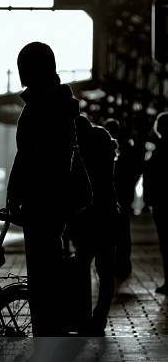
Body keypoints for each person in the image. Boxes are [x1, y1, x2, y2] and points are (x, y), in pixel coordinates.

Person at [7, 42, 79, 336]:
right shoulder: (58, 103)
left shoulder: (42, 107)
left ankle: (48, 343)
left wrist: (15, 195)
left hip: (41, 202)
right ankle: (54, 337)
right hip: (54, 200)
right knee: (50, 274)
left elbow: (29, 157)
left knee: (43, 278)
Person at [71, 116, 119, 335]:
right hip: (108, 214)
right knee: (106, 270)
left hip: (86, 217)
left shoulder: (81, 152)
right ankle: (100, 317)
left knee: (82, 267)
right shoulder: (105, 144)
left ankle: (83, 315)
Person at [105, 118, 142, 280]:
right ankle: (123, 264)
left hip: (115, 194)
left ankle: (118, 264)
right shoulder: (127, 147)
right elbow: (136, 170)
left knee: (114, 232)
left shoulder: (111, 147)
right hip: (123, 194)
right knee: (123, 232)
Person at [143, 112, 168, 295]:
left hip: (162, 203)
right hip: (161, 201)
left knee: (166, 243)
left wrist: (148, 199)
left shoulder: (159, 151)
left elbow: (150, 177)